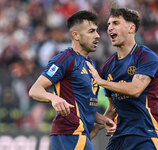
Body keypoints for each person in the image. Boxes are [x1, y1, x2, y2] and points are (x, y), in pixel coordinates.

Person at [29, 10, 116, 150]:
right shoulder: (65, 58)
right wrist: (53, 98)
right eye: (91, 31)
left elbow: (84, 106)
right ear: (75, 35)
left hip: (77, 134)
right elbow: (35, 89)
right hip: (70, 132)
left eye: (97, 31)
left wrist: (103, 120)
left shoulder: (91, 64)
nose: (97, 35)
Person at [87, 7, 158, 150]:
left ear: (131, 28)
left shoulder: (146, 57)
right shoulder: (107, 67)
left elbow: (135, 89)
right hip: (119, 136)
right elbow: (113, 108)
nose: (110, 28)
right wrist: (94, 131)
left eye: (116, 23)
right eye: (109, 24)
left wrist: (101, 81)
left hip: (146, 134)